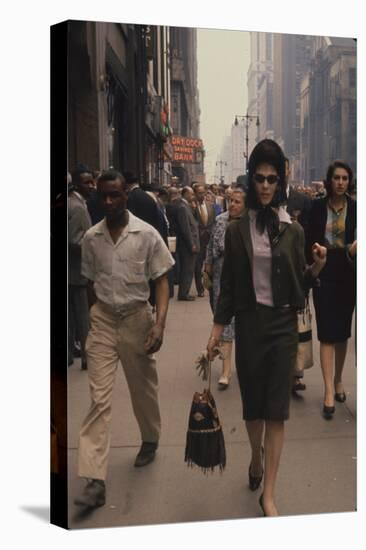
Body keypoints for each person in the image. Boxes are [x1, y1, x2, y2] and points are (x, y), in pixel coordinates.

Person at [206, 139, 327, 516]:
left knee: (276, 411)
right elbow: (227, 287)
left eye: (272, 179)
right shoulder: (237, 229)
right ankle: (255, 455)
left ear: (280, 182)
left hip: (281, 326)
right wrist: (215, 333)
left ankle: (269, 494)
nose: (265, 186)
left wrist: (317, 268)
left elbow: (298, 284)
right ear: (251, 179)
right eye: (259, 178)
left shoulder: (294, 230)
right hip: (250, 325)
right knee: (253, 409)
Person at [74, 170, 174, 508]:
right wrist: (94, 318)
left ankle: (150, 438)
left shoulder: (146, 235)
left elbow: (161, 281)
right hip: (103, 321)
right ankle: (94, 480)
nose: (108, 202)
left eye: (114, 195)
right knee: (98, 400)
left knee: (143, 390)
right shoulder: (91, 238)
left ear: (125, 197)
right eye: (102, 196)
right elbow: (89, 281)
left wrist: (159, 324)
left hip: (137, 320)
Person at [305, 160, 356, 420]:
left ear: (350, 181)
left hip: (348, 277)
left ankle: (338, 380)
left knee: (342, 334)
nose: (340, 182)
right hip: (323, 275)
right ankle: (327, 390)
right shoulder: (315, 207)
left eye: (345, 178)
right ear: (329, 180)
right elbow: (306, 240)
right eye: (336, 177)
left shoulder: (357, 209)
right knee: (326, 333)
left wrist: (352, 251)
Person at [205, 188, 245, 389]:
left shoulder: (249, 224)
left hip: (243, 280)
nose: (233, 205)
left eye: (238, 201)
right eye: (231, 201)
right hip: (221, 278)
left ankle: (239, 368)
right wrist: (207, 267)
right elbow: (211, 245)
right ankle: (226, 370)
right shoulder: (221, 220)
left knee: (242, 326)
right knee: (225, 324)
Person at [284, 157, 312, 394]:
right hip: (270, 275)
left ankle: (295, 374)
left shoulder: (302, 200)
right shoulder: (265, 200)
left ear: (289, 170)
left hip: (298, 271)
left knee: (297, 324)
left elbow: (311, 236)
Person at [68, 165, 94, 369]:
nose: (91, 185)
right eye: (87, 182)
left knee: (71, 315)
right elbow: (75, 240)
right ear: (76, 184)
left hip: (73, 271)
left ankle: (70, 353)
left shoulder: (76, 203)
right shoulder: (77, 206)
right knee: (82, 315)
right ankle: (87, 355)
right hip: (76, 271)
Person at [176, 186, 200, 301]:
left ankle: (185, 292)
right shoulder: (182, 207)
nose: (193, 196)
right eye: (191, 194)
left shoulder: (187, 206)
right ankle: (183, 294)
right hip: (187, 246)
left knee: (189, 269)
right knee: (187, 269)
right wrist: (192, 244)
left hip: (190, 244)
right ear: (185, 194)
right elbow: (186, 229)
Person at [193, 183, 216, 297]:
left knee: (211, 263)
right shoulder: (192, 206)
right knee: (198, 265)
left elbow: (213, 221)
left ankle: (211, 285)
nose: (202, 195)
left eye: (203, 192)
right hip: (198, 240)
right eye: (199, 193)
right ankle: (200, 289)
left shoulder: (211, 205)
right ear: (195, 194)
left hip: (210, 238)